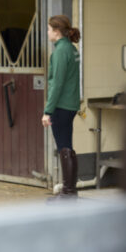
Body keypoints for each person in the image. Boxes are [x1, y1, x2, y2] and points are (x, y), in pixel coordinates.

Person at [41, 15, 81, 199]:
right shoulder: (71, 49)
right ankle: (69, 189)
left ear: (56, 32)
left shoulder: (60, 52)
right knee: (68, 146)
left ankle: (68, 192)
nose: (47, 32)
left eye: (49, 29)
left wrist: (48, 110)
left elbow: (56, 83)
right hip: (71, 103)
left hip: (61, 105)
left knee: (64, 146)